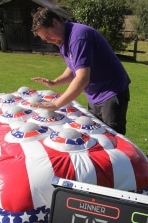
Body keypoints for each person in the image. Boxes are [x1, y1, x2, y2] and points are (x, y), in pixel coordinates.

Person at [31, 7, 131, 135]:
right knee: (97, 132)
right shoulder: (63, 41)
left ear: (55, 22)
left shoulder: (78, 37)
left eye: (48, 35)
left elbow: (82, 78)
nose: (48, 40)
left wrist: (55, 104)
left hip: (111, 92)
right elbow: (74, 67)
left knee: (113, 137)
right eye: (45, 39)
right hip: (94, 95)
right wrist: (54, 82)